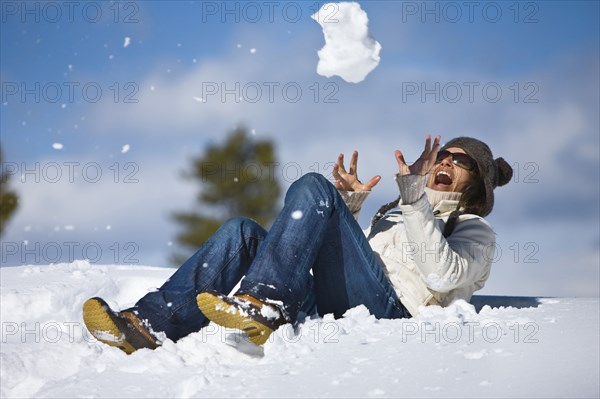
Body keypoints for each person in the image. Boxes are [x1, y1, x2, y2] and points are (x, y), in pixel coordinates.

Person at [82, 135, 513, 353]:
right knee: (241, 231)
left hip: (393, 316)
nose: (447, 163)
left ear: (477, 182)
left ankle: (266, 304)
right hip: (348, 302)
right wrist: (352, 206)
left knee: (312, 186)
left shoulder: (473, 227)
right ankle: (148, 326)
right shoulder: (400, 211)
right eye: (444, 156)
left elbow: (440, 273)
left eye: (462, 162)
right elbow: (355, 260)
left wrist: (414, 197)